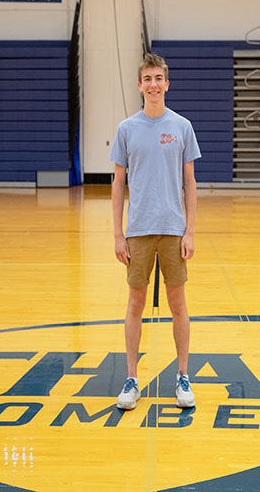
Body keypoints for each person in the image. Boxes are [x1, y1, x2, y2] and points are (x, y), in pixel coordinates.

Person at [110, 53, 201, 410]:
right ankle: (132, 379)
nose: (153, 85)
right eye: (147, 79)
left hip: (173, 231)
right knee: (135, 303)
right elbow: (118, 184)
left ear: (167, 83)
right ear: (139, 86)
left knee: (178, 304)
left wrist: (189, 231)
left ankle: (182, 377)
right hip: (138, 232)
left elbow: (190, 183)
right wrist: (118, 235)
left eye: (158, 78)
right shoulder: (126, 129)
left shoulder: (182, 126)